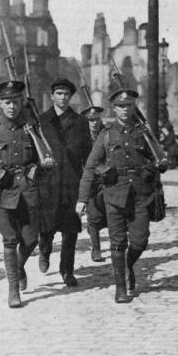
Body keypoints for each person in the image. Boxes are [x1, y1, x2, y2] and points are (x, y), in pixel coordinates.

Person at [0, 80, 54, 308]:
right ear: (1, 105)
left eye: (15, 102)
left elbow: (46, 161)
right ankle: (13, 290)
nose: (12, 107)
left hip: (29, 192)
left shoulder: (32, 129)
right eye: (7, 103)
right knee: (9, 241)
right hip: (4, 195)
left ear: (21, 102)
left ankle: (18, 267)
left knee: (31, 240)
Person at [76, 88, 167, 303]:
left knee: (140, 240)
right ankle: (121, 287)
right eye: (120, 106)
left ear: (134, 107)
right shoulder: (106, 135)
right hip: (114, 194)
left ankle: (127, 265)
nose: (125, 110)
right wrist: (82, 198)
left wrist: (157, 165)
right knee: (117, 242)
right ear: (113, 108)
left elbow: (160, 160)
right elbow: (90, 167)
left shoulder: (143, 133)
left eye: (128, 105)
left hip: (140, 194)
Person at [37, 78, 92, 286]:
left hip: (71, 184)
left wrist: (87, 186)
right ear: (52, 96)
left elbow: (87, 154)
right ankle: (44, 251)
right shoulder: (42, 121)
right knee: (47, 229)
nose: (63, 97)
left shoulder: (80, 122)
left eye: (67, 94)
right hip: (48, 184)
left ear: (71, 97)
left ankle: (67, 270)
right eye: (59, 93)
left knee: (70, 231)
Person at [81, 106, 107, 263]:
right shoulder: (81, 137)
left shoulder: (107, 134)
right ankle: (96, 249)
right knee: (93, 216)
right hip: (90, 181)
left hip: (107, 179)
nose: (93, 123)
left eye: (96, 119)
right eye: (90, 120)